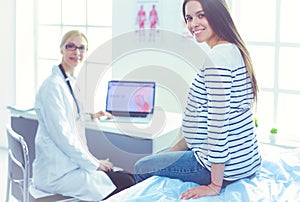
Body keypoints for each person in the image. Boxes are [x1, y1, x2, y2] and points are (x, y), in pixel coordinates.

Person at [134, 0, 262, 200]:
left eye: (201, 15)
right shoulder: (233, 50)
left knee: (141, 167)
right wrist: (173, 149)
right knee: (158, 155)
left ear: (218, 15)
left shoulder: (217, 58)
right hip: (245, 161)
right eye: (189, 18)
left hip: (223, 169)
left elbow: (218, 125)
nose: (193, 23)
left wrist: (214, 185)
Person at [33, 30, 135, 201]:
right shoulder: (52, 87)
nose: (76, 52)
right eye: (71, 46)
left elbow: (69, 117)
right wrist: (94, 163)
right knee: (126, 182)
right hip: (58, 172)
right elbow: (63, 135)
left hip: (69, 165)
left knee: (127, 177)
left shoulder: (68, 82)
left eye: (82, 48)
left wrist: (91, 116)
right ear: (61, 49)